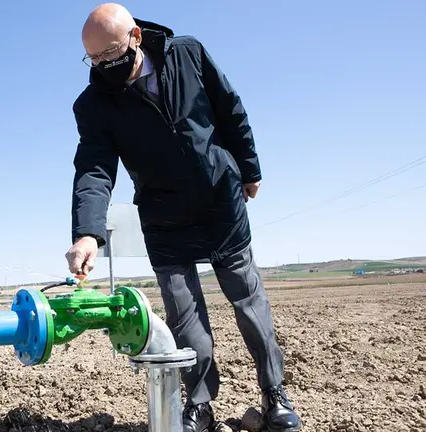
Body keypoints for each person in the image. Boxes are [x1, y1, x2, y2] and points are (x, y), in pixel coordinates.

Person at [64, 3, 302, 432]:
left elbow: (229, 108)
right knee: (185, 316)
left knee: (249, 304)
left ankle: (274, 395)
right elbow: (94, 169)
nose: (102, 66)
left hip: (219, 201)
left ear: (135, 37)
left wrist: (249, 169)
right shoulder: (94, 103)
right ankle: (198, 404)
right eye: (93, 59)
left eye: (110, 53)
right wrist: (87, 234)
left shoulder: (188, 53)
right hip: (163, 216)